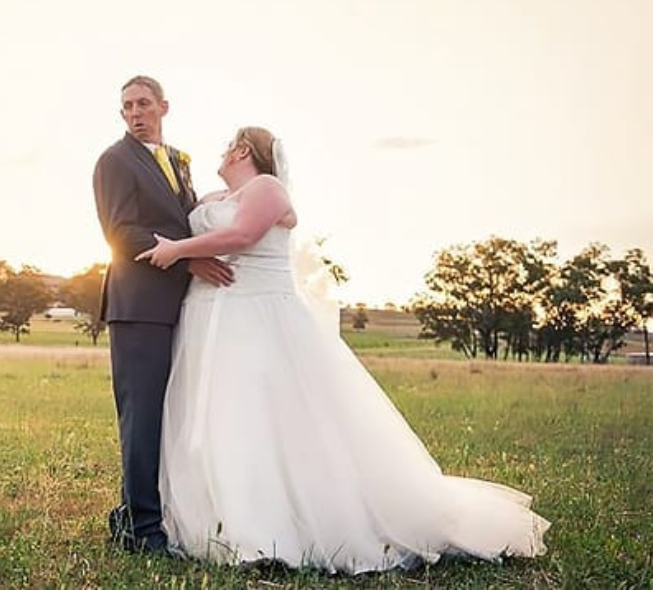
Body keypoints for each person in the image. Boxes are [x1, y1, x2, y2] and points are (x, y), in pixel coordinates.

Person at [136, 126, 551, 574]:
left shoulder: (267, 188)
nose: (221, 152)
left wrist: (179, 249)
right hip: (205, 320)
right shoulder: (209, 199)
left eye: (227, 146)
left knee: (261, 418)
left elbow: (242, 236)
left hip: (256, 318)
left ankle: (270, 528)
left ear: (241, 149)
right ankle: (215, 520)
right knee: (220, 418)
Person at [92, 75, 233, 555]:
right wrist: (187, 258)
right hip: (139, 307)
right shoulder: (113, 161)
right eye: (128, 105)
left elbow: (183, 217)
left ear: (163, 107)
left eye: (144, 104)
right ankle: (143, 529)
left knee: (171, 414)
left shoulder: (177, 160)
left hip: (180, 304)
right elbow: (121, 232)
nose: (136, 112)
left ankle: (130, 512)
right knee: (142, 418)